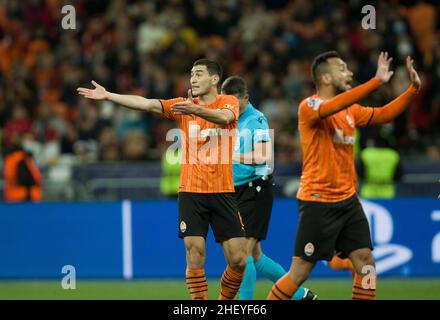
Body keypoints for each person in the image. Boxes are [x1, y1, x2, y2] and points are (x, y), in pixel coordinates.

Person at [78, 59, 247, 300]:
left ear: (214, 80)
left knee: (239, 260)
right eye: (191, 74)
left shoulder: (227, 101)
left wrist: (194, 110)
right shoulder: (181, 106)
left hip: (223, 192)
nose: (193, 79)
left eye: (198, 74)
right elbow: (146, 104)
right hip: (191, 192)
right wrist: (109, 96)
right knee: (195, 253)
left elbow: (224, 118)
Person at [267, 51, 421, 300]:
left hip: (348, 201)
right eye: (342, 68)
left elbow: (384, 114)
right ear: (326, 78)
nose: (349, 73)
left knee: (366, 263)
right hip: (318, 200)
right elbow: (334, 106)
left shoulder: (350, 111)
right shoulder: (309, 107)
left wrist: (413, 89)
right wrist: (375, 82)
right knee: (300, 271)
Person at [220, 76, 317, 300]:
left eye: (235, 102)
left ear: (246, 98)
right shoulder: (226, 120)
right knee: (254, 255)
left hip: (256, 189)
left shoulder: (257, 120)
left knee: (243, 254)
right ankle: (300, 295)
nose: (231, 107)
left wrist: (232, 156)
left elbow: (264, 156)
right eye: (227, 103)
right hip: (233, 190)